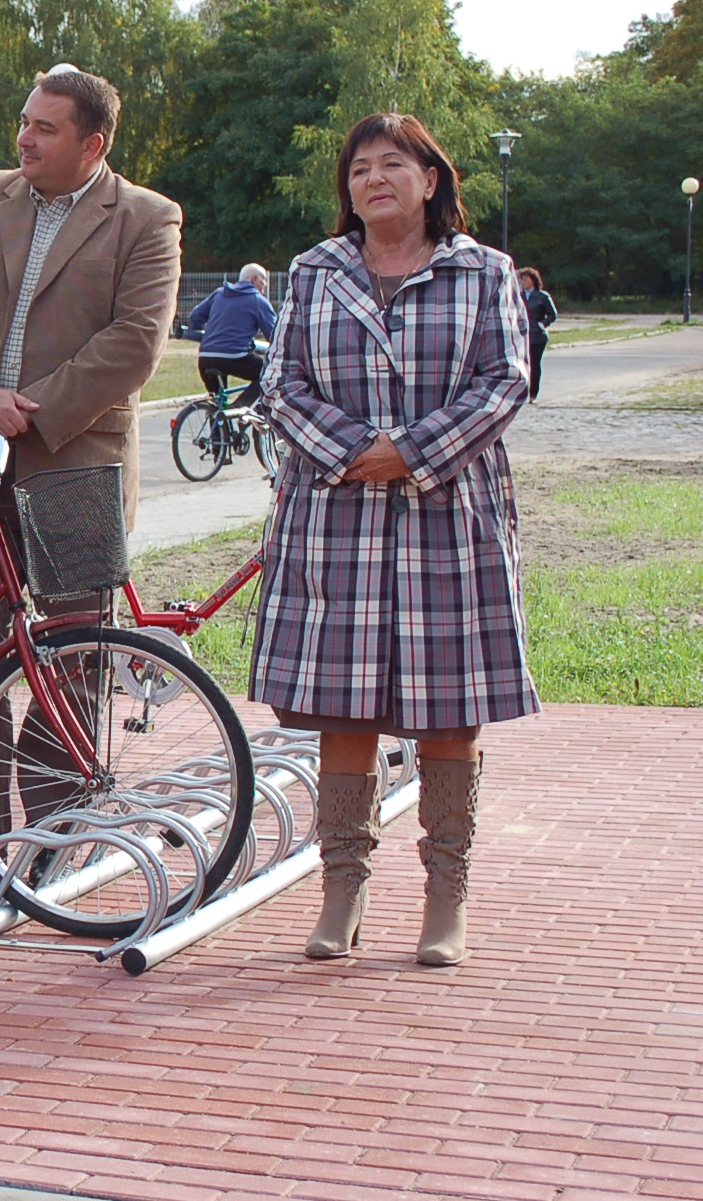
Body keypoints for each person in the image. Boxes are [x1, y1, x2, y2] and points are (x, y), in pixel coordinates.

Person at [254, 112, 537, 968]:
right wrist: (355, 452)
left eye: (392, 165)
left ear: (430, 179)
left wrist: (410, 452)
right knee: (343, 714)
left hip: (449, 519)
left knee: (449, 715)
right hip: (336, 519)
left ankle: (444, 899)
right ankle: (343, 891)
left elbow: (505, 381)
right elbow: (281, 382)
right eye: (359, 169)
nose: (373, 179)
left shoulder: (482, 272)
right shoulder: (313, 271)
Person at [0, 64, 183, 891]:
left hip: (80, 468)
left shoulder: (146, 218)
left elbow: (137, 341)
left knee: (72, 661)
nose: (24, 139)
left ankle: (60, 841)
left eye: (46, 128)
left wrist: (36, 409)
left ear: (92, 143)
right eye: (24, 123)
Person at [184, 262, 277, 407]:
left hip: (206, 357)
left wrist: (204, 330)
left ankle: (218, 426)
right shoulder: (258, 301)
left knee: (217, 404)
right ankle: (239, 407)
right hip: (234, 357)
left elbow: (195, 317)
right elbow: (275, 335)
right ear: (254, 279)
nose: (265, 285)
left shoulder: (219, 293)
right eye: (264, 280)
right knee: (269, 374)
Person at [518, 266, 557, 400]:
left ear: (533, 281)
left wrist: (543, 324)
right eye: (522, 279)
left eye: (526, 279)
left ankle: (533, 394)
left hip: (537, 336)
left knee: (534, 364)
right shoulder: (518, 296)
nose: (523, 282)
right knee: (521, 365)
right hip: (521, 334)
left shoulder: (542, 297)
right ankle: (521, 393)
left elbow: (552, 315)